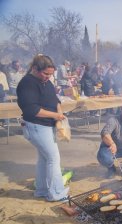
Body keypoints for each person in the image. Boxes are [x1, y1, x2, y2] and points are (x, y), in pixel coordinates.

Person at [16, 54, 69, 202]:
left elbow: (55, 99)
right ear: (34, 68)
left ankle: (41, 190)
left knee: (44, 159)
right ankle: (57, 194)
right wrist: (55, 115)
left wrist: (59, 113)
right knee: (53, 158)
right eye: (46, 73)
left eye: (50, 74)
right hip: (36, 126)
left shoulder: (46, 81)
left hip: (47, 126)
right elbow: (32, 110)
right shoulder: (28, 83)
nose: (48, 77)